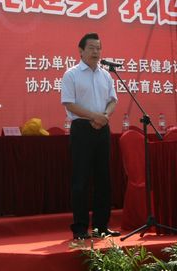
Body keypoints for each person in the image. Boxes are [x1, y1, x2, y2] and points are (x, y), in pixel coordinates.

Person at [61, 33, 119, 240]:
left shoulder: (106, 75)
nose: (96, 52)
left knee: (103, 179)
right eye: (92, 48)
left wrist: (105, 116)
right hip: (82, 129)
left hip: (102, 128)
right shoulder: (71, 75)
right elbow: (69, 103)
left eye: (98, 48)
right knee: (81, 179)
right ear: (81, 51)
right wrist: (94, 116)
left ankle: (101, 226)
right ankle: (80, 228)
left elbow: (113, 100)